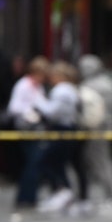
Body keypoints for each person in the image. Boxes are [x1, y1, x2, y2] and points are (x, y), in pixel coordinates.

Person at [32, 61, 82, 213]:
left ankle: (63, 191)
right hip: (70, 129)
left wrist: (38, 102)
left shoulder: (60, 90)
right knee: (60, 164)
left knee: (46, 162)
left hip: (61, 129)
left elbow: (52, 112)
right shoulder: (72, 90)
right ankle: (64, 193)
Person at [78, 54, 112, 206]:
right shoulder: (108, 83)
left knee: (100, 159)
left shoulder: (91, 85)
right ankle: (111, 190)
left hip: (98, 127)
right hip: (104, 126)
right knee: (99, 159)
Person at [8, 55, 51, 209]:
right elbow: (13, 107)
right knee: (32, 164)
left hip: (36, 129)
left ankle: (30, 197)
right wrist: (29, 111)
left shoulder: (37, 87)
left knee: (34, 164)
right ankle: (24, 198)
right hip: (26, 128)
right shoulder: (24, 85)